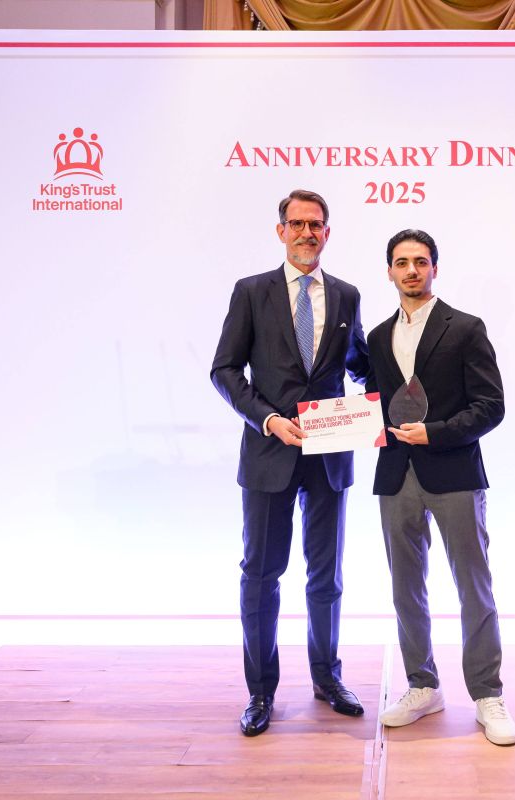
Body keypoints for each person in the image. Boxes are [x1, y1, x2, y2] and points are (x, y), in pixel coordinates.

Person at [211, 189, 370, 737]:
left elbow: (360, 365)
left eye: (316, 224)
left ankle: (327, 678)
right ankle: (260, 691)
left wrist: (400, 386)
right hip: (269, 450)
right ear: (281, 231)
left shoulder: (347, 296)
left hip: (329, 452)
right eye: (297, 224)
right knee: (261, 575)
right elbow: (225, 370)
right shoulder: (251, 292)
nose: (307, 233)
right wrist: (268, 419)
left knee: (326, 576)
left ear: (327, 232)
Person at [365, 229, 515, 746]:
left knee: (473, 585)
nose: (411, 270)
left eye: (420, 261)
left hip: (454, 472)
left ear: (434, 267)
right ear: (389, 271)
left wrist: (436, 432)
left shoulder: (466, 328)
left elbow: (491, 406)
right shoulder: (376, 338)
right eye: (401, 262)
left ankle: (487, 694)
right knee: (405, 587)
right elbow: (374, 404)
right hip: (395, 475)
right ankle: (422, 685)